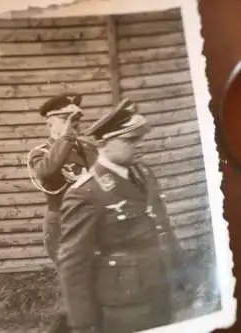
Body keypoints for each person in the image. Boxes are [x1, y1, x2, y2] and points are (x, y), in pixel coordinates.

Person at [57, 99, 188, 333]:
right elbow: (73, 263)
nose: (140, 145)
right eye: (130, 140)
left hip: (160, 287)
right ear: (105, 144)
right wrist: (83, 324)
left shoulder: (143, 173)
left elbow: (162, 227)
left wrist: (182, 279)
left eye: (140, 138)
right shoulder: (86, 193)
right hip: (125, 304)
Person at [26, 93, 97, 333]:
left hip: (90, 221)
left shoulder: (87, 147)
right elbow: (48, 172)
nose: (74, 127)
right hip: (62, 225)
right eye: (66, 121)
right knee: (75, 286)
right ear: (50, 123)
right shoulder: (39, 152)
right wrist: (66, 136)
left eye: (75, 122)